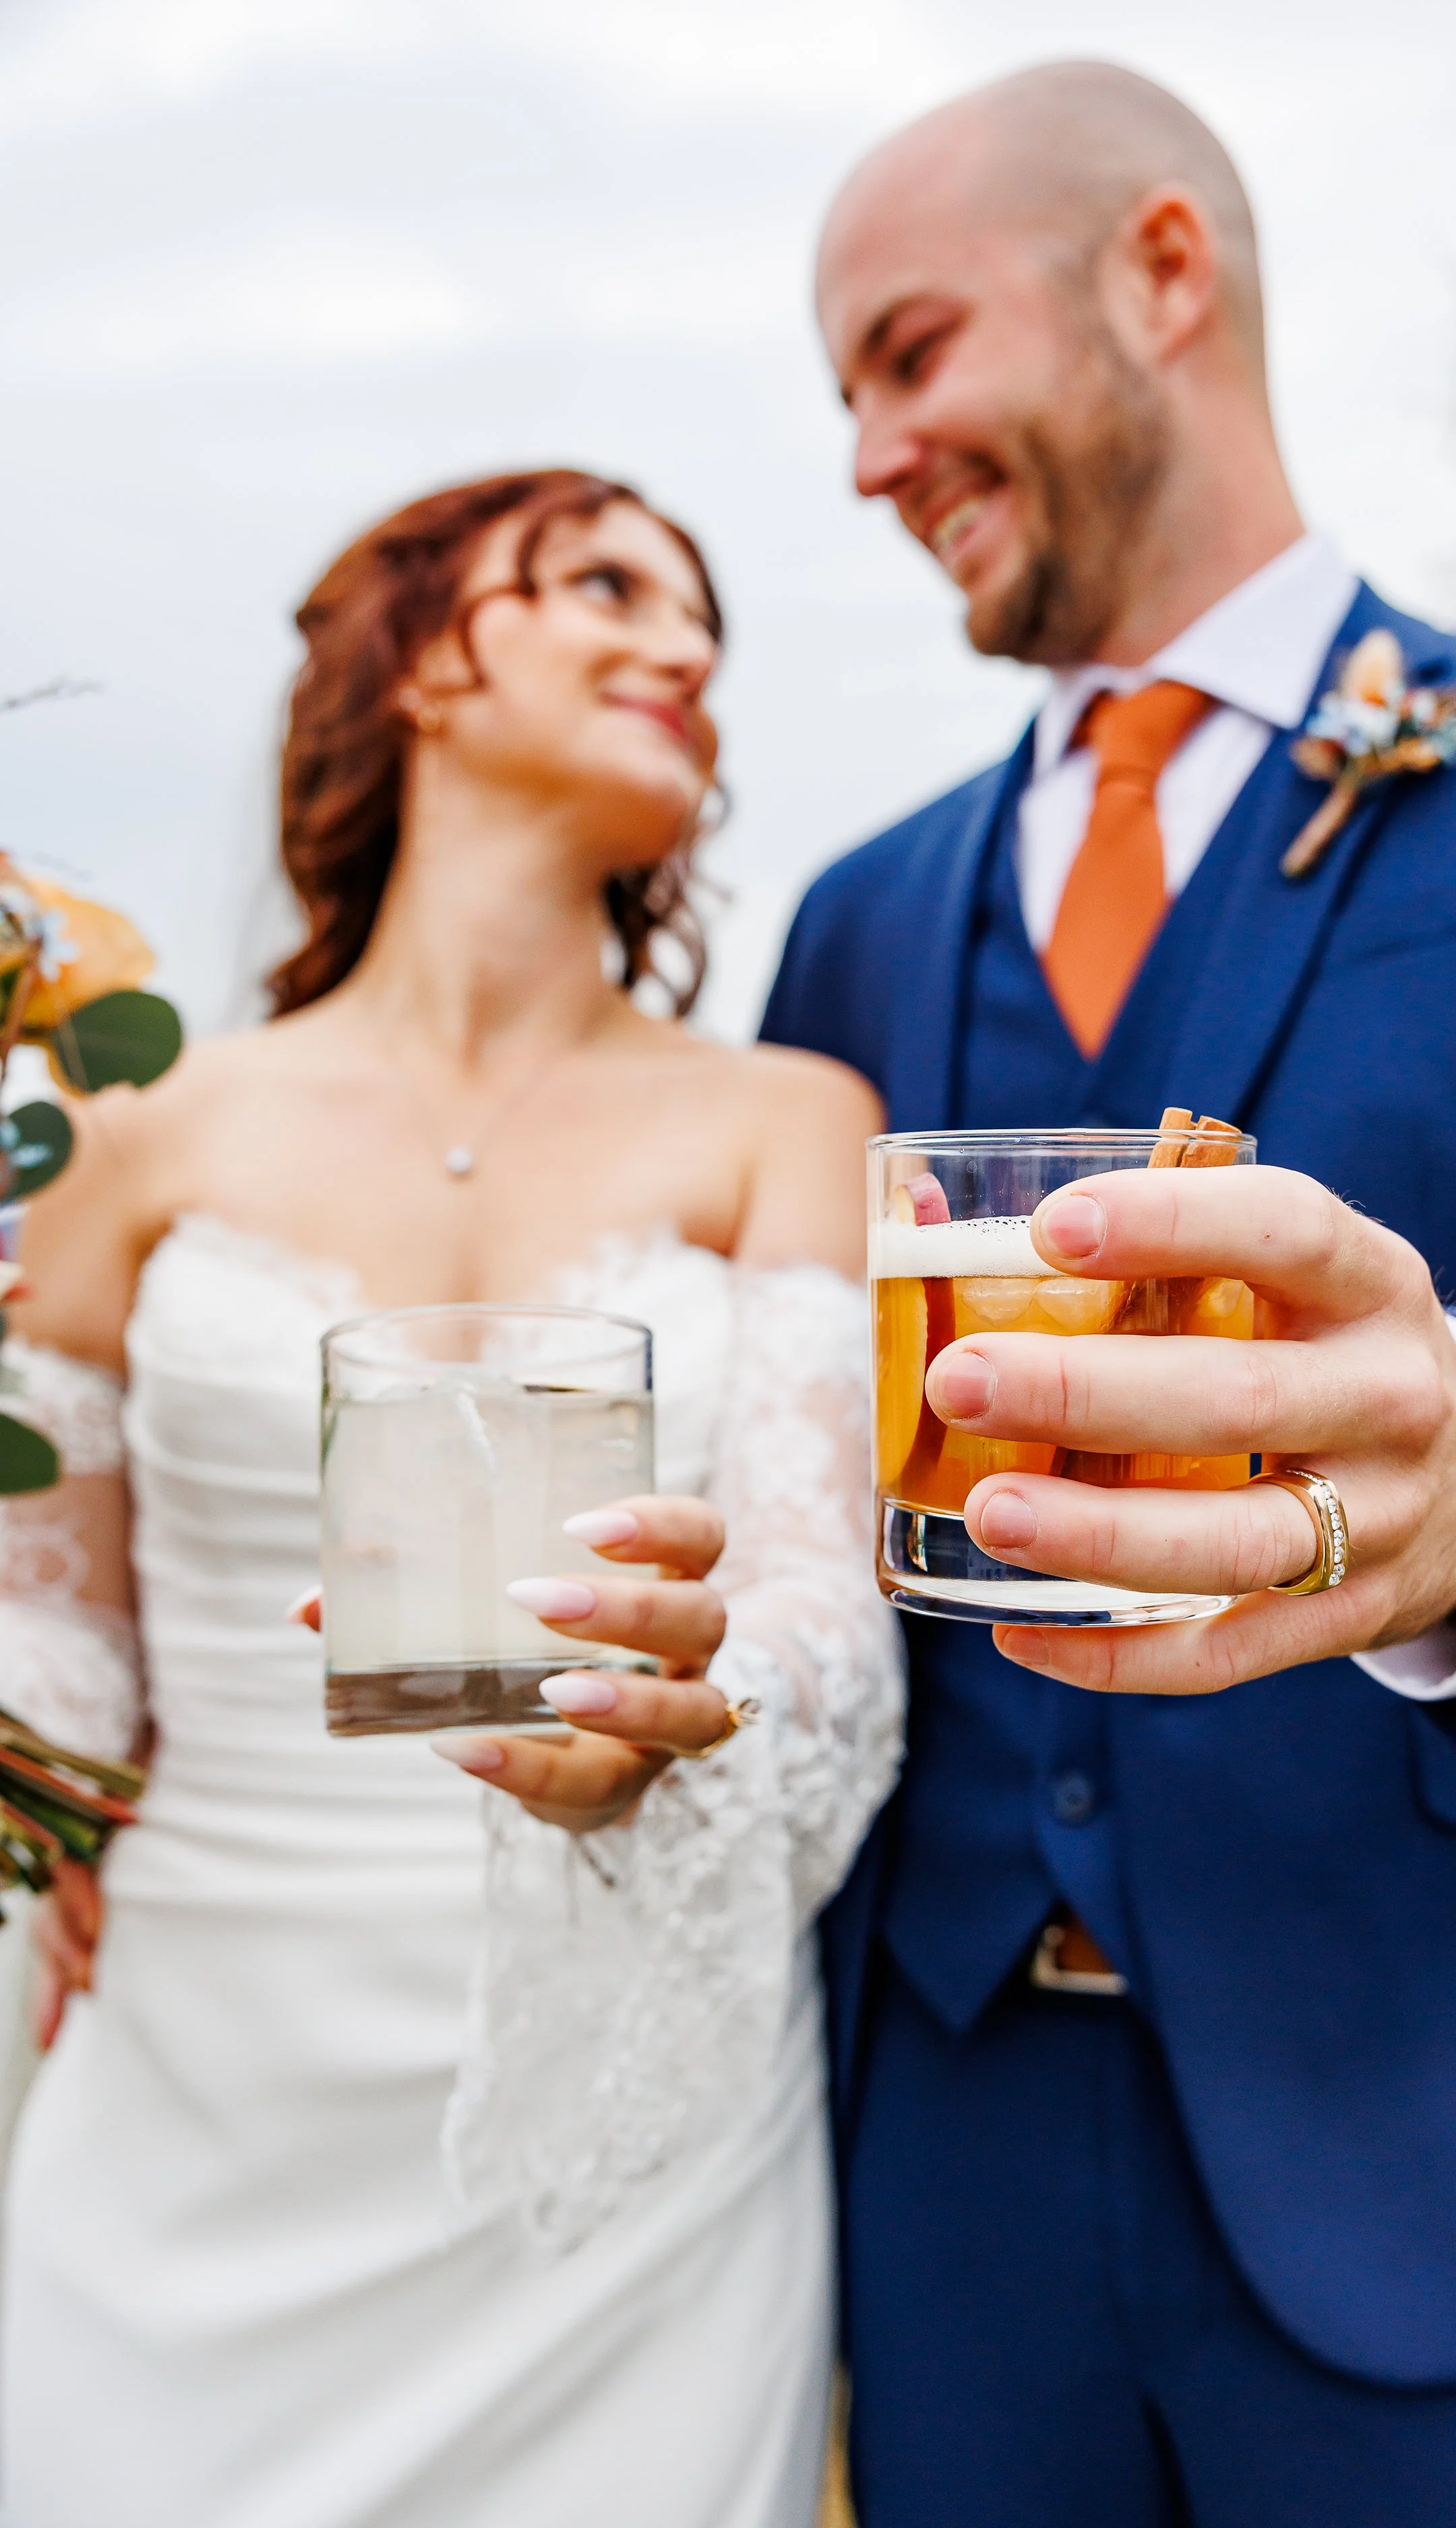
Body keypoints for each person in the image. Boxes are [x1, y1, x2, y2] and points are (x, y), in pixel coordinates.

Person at [761, 59, 1456, 2528]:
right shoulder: (853, 914)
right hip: (944, 2175)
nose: (869, 451)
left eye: (910, 349)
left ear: (1161, 273)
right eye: (843, 392)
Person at [0, 468, 902, 2528]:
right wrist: (29, 1777)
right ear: (417, 653)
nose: (681, 647)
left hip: (625, 2123)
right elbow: (50, 1616)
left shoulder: (786, 1118)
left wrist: (686, 1725)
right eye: (603, 584)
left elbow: (820, 1615)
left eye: (705, 627)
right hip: (195, 2083)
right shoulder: (128, 1122)